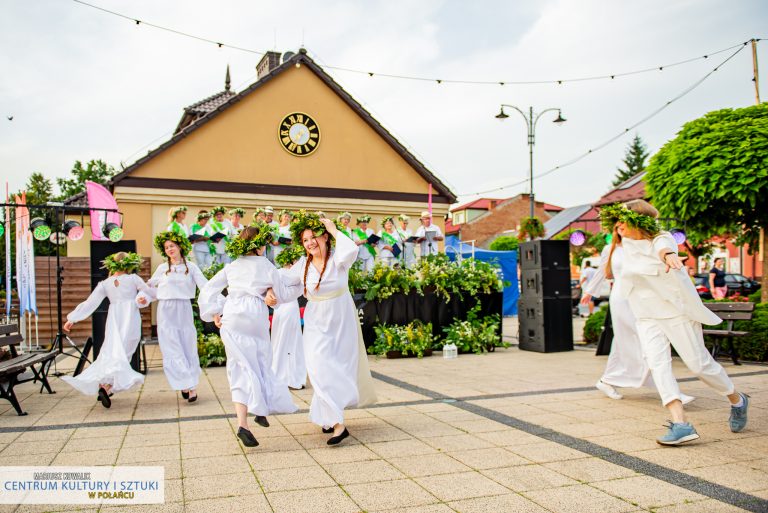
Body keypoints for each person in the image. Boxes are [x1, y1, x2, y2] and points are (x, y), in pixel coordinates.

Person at [608, 200, 748, 445]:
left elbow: (665, 247)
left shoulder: (661, 239)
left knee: (699, 365)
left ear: (637, 221)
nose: (618, 225)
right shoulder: (626, 245)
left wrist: (669, 256)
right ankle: (680, 423)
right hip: (646, 315)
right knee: (658, 364)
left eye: (622, 220)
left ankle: (737, 399)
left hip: (675, 312)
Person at [269, 211, 376, 445]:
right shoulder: (303, 265)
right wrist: (271, 294)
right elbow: (285, 284)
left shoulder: (338, 259)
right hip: (316, 318)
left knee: (338, 366)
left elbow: (352, 250)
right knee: (317, 366)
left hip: (340, 318)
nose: (309, 243)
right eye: (305, 240)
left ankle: (329, 416)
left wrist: (334, 228)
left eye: (314, 237)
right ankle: (338, 425)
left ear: (325, 237)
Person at [198, 225, 299, 447]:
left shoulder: (232, 266)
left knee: (238, 367)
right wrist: (279, 292)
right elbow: (281, 293)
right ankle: (260, 409)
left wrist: (215, 311)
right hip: (255, 316)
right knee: (261, 362)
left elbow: (208, 290)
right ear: (260, 245)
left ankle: (243, 424)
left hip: (233, 314)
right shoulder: (266, 265)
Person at [581, 224, 694, 404]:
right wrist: (589, 292)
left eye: (624, 227)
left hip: (640, 296)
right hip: (621, 297)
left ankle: (608, 380)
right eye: (618, 227)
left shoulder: (641, 246)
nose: (621, 230)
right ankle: (668, 390)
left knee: (632, 342)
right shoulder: (609, 248)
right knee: (635, 341)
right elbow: (603, 270)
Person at [62, 252, 149, 408]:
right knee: (125, 351)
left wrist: (72, 319)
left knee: (112, 350)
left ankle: (105, 386)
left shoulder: (105, 283)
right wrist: (142, 299)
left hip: (114, 318)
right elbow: (147, 292)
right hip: (130, 316)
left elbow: (90, 303)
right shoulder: (133, 279)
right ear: (129, 265)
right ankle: (107, 387)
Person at [137, 232, 207, 403]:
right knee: (171, 347)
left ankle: (191, 384)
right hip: (166, 310)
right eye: (166, 247)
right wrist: (142, 297)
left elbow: (205, 286)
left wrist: (219, 304)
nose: (169, 249)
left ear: (180, 246)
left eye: (172, 246)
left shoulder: (191, 267)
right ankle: (186, 385)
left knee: (186, 345)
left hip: (183, 308)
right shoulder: (162, 268)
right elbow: (150, 286)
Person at [271, 245, 306, 390]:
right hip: (291, 308)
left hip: (279, 309)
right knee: (294, 341)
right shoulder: (297, 275)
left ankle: (277, 375)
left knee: (279, 341)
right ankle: (294, 376)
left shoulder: (276, 273)